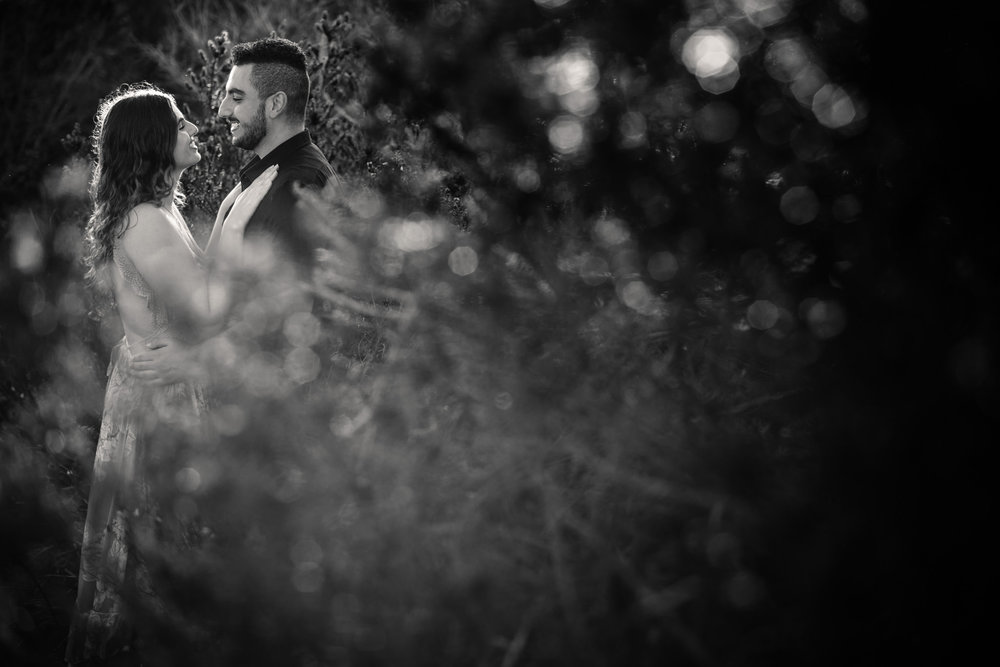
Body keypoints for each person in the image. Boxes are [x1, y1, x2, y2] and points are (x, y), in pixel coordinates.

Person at [65, 82, 276, 665]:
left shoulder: (159, 212)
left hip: (167, 384)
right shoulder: (145, 222)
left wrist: (229, 210)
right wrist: (240, 221)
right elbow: (205, 311)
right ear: (154, 141)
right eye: (179, 123)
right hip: (162, 401)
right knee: (162, 556)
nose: (193, 129)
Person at [131, 36, 337, 385]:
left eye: (237, 98)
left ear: (275, 105)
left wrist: (194, 360)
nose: (223, 110)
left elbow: (291, 312)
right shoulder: (263, 177)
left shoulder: (295, 186)